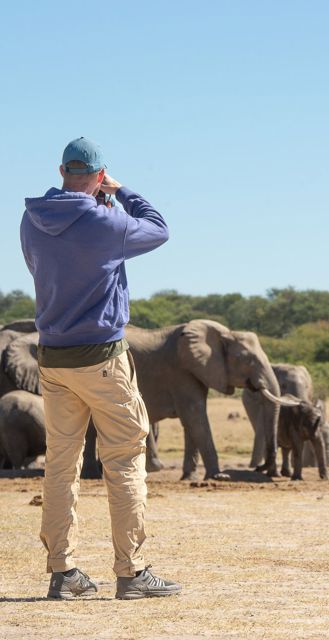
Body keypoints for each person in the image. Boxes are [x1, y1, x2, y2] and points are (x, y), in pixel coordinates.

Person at [20, 137, 181, 600]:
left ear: (60, 170)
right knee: (125, 458)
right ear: (99, 174)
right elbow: (158, 228)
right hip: (103, 360)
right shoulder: (105, 219)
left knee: (60, 464)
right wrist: (122, 191)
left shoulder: (31, 218)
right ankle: (130, 572)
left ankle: (62, 572)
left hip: (52, 358)